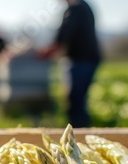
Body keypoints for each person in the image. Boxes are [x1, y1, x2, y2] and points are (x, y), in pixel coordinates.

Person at [39, 0, 101, 128]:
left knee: (75, 101)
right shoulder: (84, 6)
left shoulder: (75, 9)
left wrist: (47, 52)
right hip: (88, 59)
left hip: (80, 60)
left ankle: (79, 135)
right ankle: (81, 132)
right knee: (79, 100)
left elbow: (63, 36)